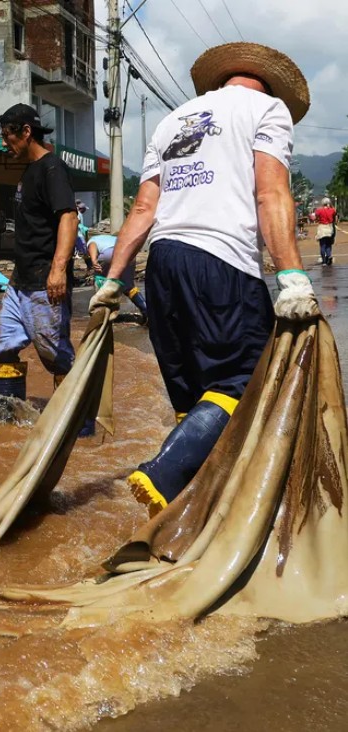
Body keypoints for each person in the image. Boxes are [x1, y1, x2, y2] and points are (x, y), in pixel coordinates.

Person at [90, 42, 319, 516]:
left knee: (197, 396)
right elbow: (272, 193)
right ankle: (163, 475)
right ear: (269, 86)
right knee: (245, 379)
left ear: (220, 81)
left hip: (164, 265)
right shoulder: (266, 108)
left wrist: (113, 282)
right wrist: (292, 276)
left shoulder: (174, 121)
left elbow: (143, 208)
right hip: (222, 262)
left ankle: (190, 515)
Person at [0, 103, 81, 426]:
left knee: (56, 357)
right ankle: (9, 423)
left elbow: (68, 216)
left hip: (45, 282)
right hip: (20, 283)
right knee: (0, 344)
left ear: (26, 132)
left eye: (7, 136)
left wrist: (58, 269)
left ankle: (76, 427)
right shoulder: (29, 172)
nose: (4, 143)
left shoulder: (52, 168)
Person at [87, 224, 148, 322]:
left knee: (101, 282)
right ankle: (146, 310)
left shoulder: (93, 239)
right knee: (129, 287)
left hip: (109, 253)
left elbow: (92, 245)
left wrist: (94, 261)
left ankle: (102, 314)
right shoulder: (115, 239)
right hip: (129, 254)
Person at [315, 197, 337, 266]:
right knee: (328, 244)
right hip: (330, 228)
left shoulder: (319, 210)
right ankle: (329, 255)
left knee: (322, 245)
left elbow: (315, 217)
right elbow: (334, 218)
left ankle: (324, 261)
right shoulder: (332, 210)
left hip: (322, 227)